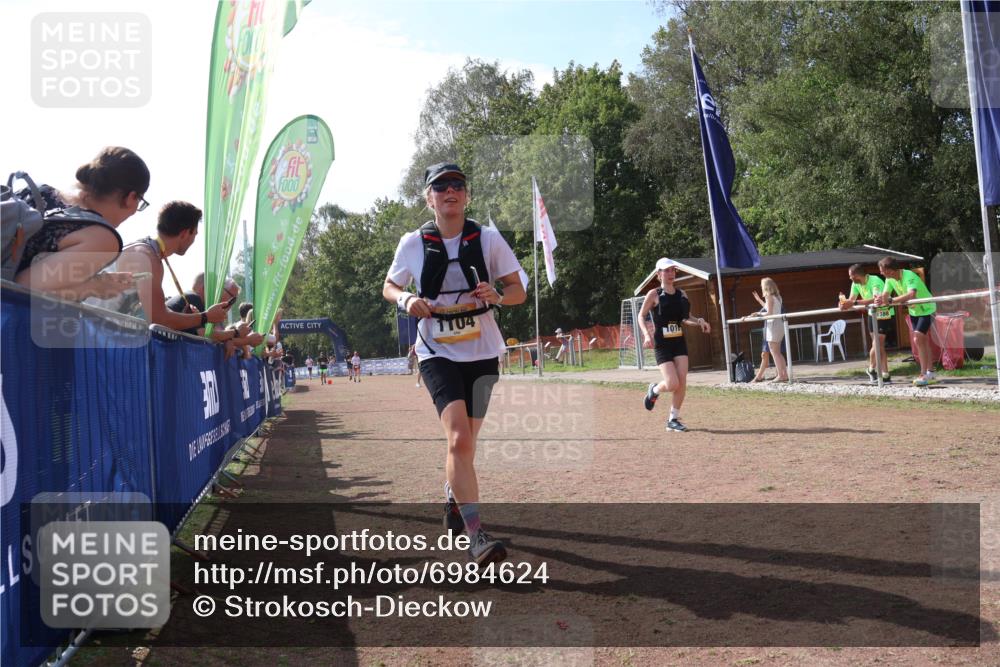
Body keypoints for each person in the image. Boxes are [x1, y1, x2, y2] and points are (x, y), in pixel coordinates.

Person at [382, 161, 526, 566]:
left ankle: (452, 493)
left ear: (467, 195)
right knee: (459, 439)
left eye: (458, 185)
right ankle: (476, 536)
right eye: (441, 186)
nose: (450, 191)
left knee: (468, 442)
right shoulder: (413, 243)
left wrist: (497, 295)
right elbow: (389, 285)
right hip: (436, 350)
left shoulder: (488, 239)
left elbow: (518, 290)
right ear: (428, 198)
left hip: (482, 351)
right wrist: (407, 299)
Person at [15, 146, 150, 301]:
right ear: (131, 198)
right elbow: (20, 290)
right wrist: (95, 287)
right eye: (140, 201)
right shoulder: (101, 238)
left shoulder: (39, 191)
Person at [116, 201, 230, 330]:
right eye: (195, 234)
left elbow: (153, 314)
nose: (194, 240)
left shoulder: (149, 252)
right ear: (185, 234)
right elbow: (160, 319)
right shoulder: (149, 257)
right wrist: (206, 317)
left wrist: (186, 317)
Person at [640, 257, 712, 432]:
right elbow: (641, 315)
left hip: (678, 342)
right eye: (667, 270)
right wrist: (646, 335)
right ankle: (654, 390)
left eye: (673, 270)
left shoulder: (682, 295)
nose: (671, 273)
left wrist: (700, 321)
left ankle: (673, 419)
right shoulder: (654, 294)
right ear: (659, 274)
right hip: (662, 344)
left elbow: (686, 318)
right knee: (672, 383)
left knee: (682, 381)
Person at [876, 257, 937, 386]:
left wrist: (891, 300)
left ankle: (923, 374)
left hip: (927, 308)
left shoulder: (909, 275)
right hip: (914, 311)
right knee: (922, 340)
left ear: (890, 270)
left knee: (918, 338)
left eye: (882, 270)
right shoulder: (889, 279)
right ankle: (931, 371)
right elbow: (885, 295)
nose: (881, 273)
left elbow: (911, 294)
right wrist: (880, 299)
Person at [841, 263, 896, 384]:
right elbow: (851, 299)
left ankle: (872, 369)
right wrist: (843, 304)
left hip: (884, 312)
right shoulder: (855, 283)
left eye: (851, 276)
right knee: (878, 345)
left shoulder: (875, 281)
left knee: (878, 343)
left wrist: (854, 303)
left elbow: (876, 299)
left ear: (857, 275)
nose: (850, 278)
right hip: (872, 314)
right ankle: (885, 374)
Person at [745, 290, 785, 382]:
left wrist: (755, 314)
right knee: (768, 354)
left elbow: (766, 311)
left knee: (770, 354)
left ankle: (761, 377)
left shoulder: (773, 299)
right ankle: (779, 374)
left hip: (773, 329)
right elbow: (765, 308)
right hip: (771, 329)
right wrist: (759, 300)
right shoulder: (776, 299)